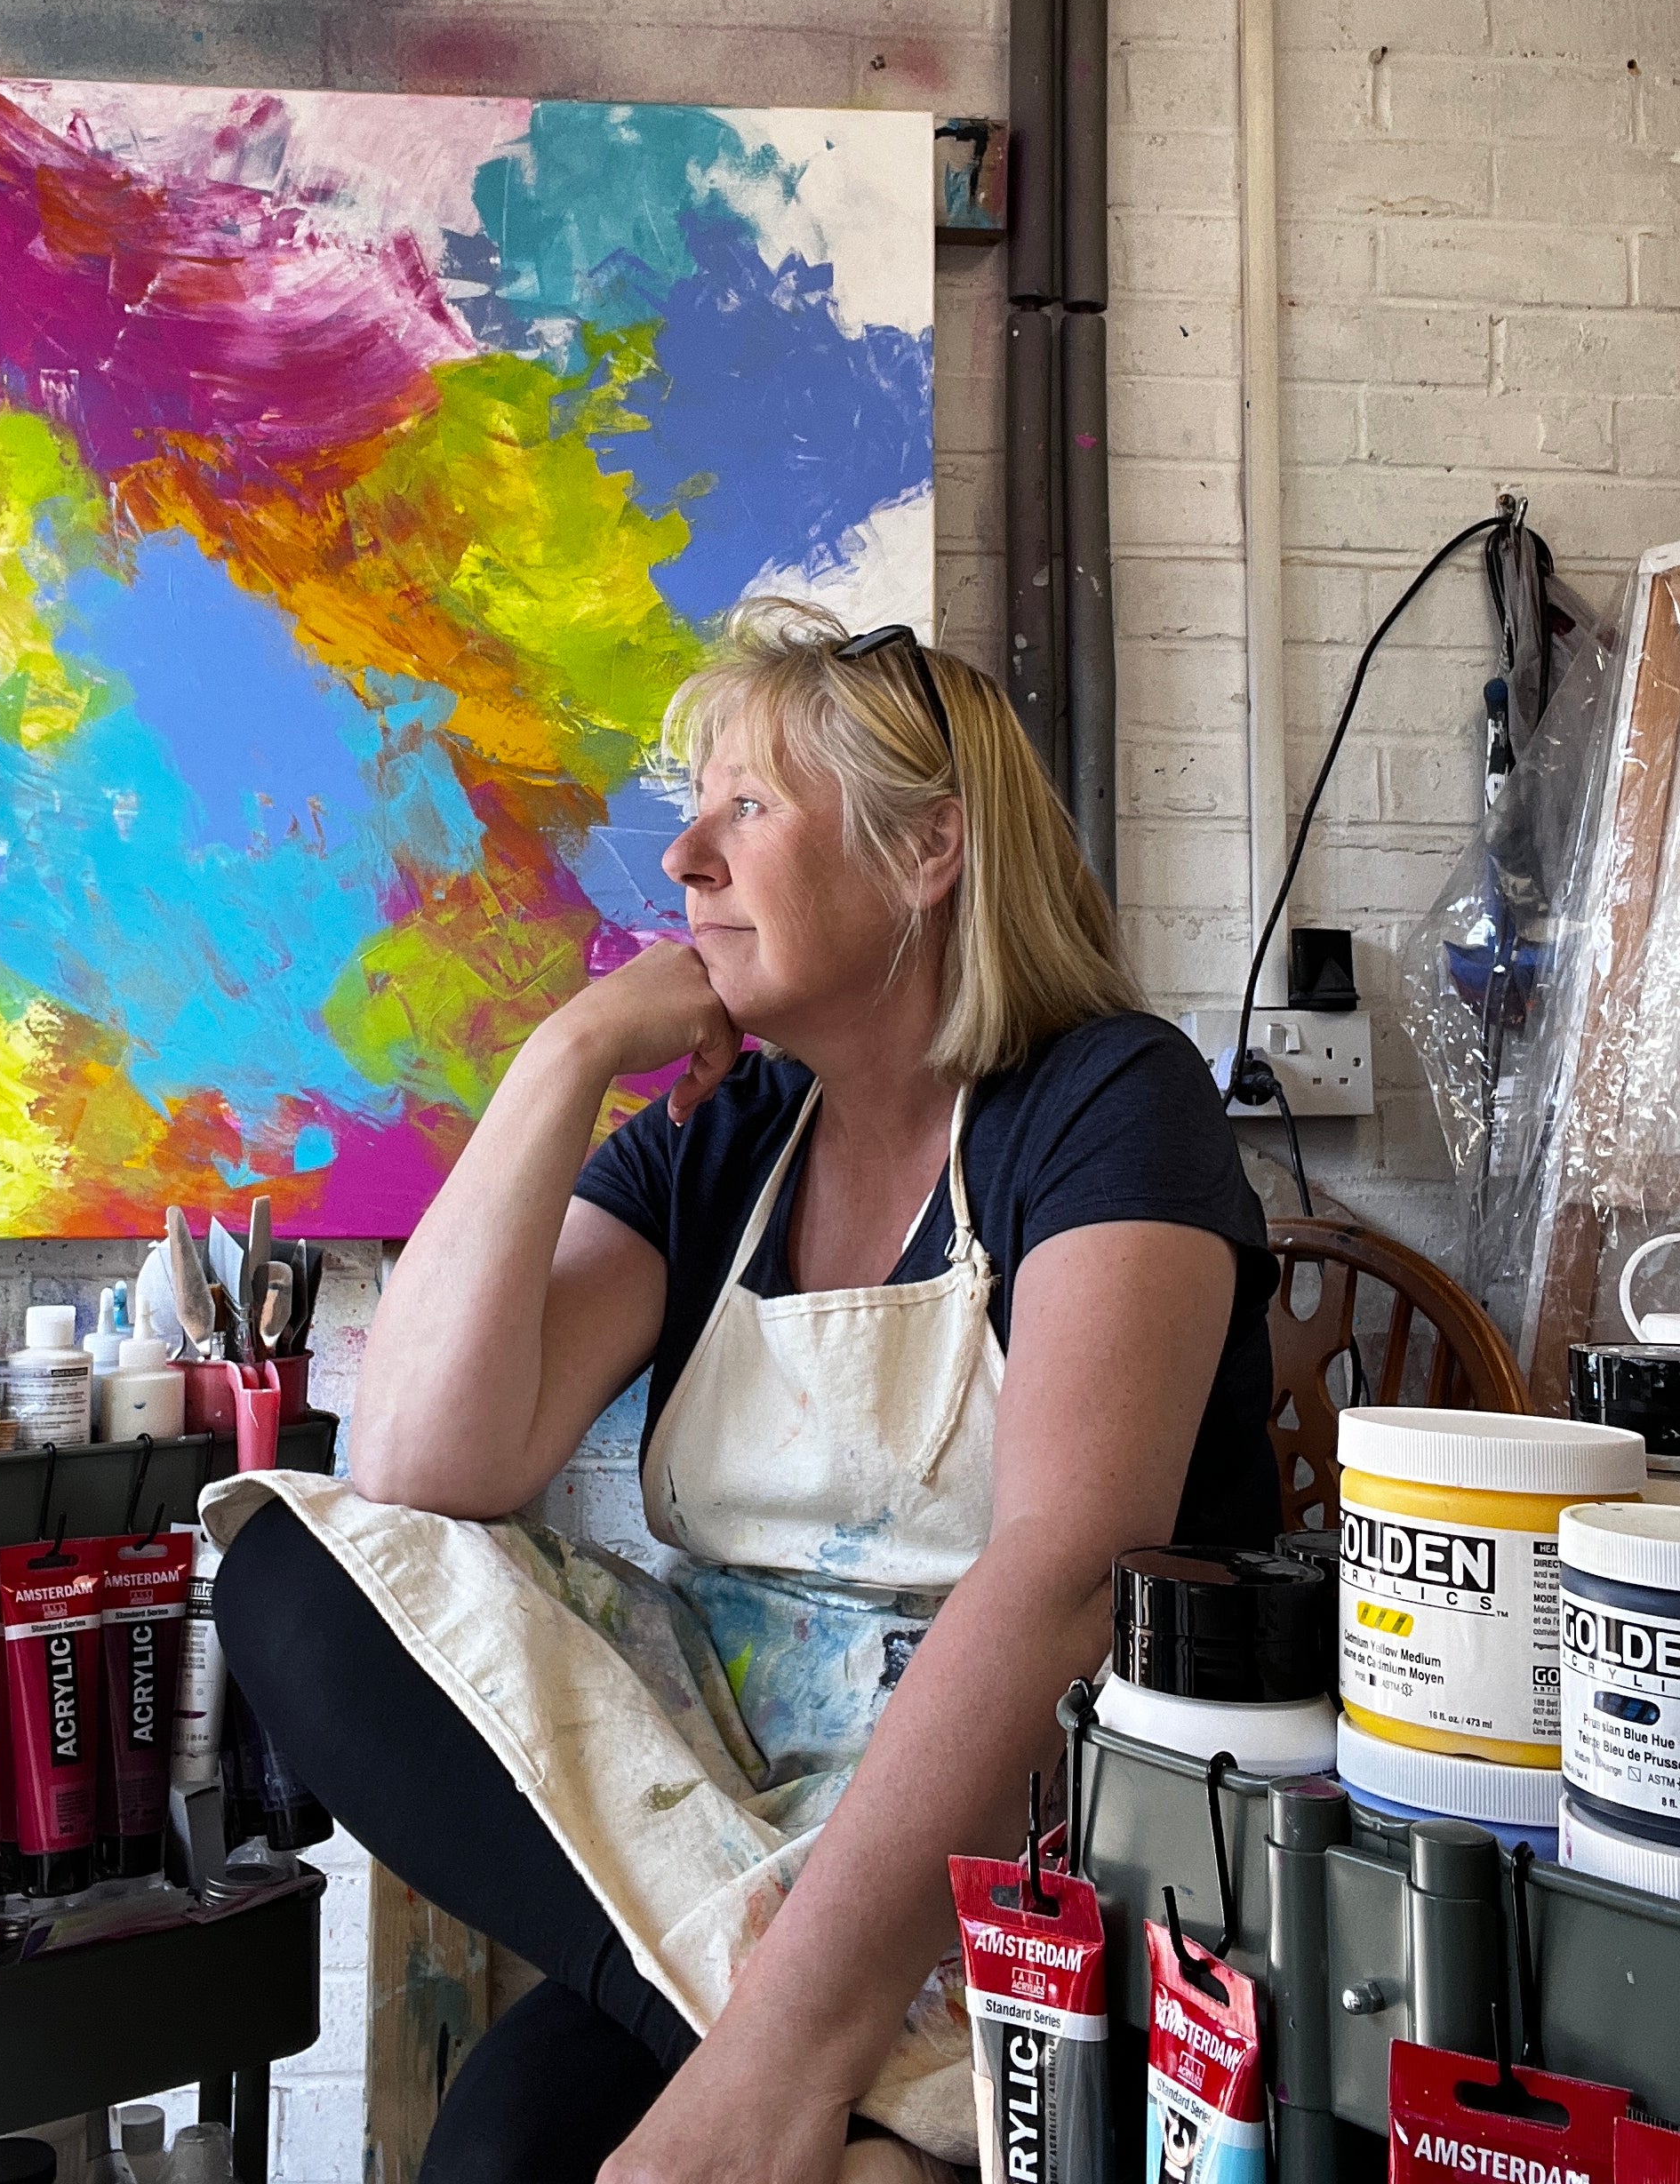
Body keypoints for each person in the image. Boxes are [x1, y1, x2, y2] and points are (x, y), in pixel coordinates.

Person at [210, 600, 1277, 2184]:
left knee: (525, 2155)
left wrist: (776, 2065)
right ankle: (911, 2116)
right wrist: (563, 1057)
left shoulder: (1110, 1100)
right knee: (289, 1574)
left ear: (927, 852)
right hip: (726, 1843)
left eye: (746, 808)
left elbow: (1069, 1585)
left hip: (1030, 1851)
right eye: (689, 812)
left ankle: (869, 2073)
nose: (684, 861)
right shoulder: (719, 1142)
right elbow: (420, 1458)